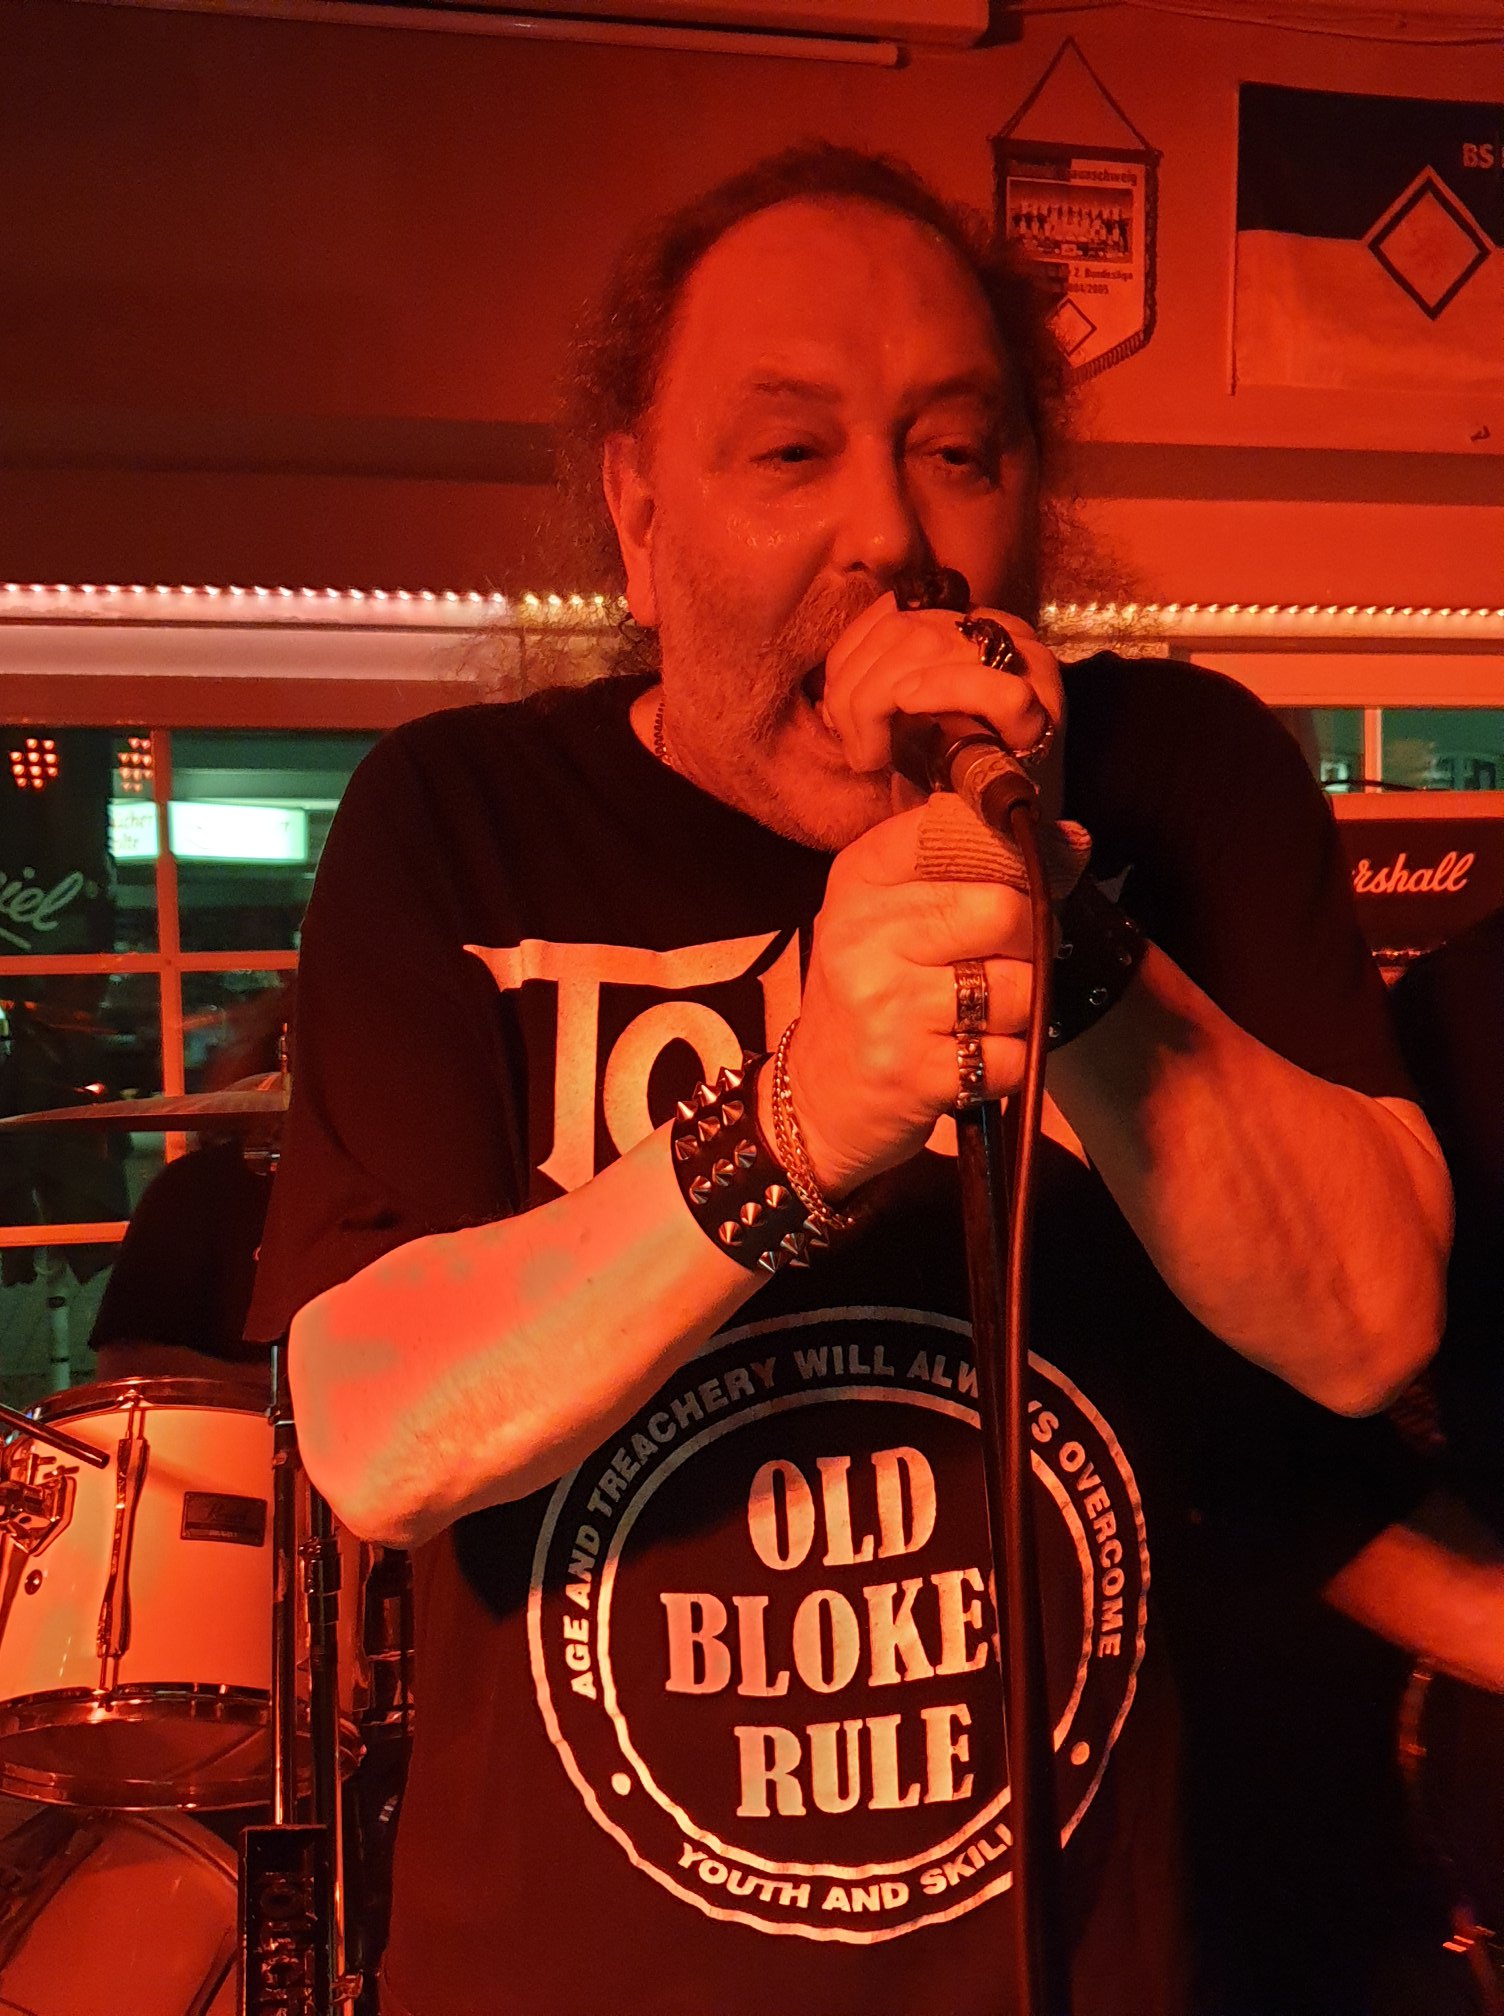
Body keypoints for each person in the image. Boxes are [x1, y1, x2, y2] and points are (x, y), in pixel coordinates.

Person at [247, 146, 1451, 2016]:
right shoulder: (457, 819)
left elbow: (1370, 1321)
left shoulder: (1185, 774)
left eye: (958, 450)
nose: (892, 530)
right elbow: (376, 1435)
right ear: (639, 516)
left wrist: (1064, 927)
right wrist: (790, 1126)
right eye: (792, 452)